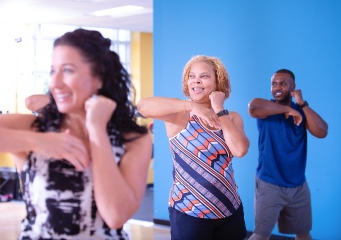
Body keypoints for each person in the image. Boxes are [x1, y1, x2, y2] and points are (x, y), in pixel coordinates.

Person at [0, 28, 152, 239]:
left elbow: (115, 216)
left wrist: (97, 131)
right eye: (53, 71)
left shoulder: (133, 139)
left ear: (99, 77)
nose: (55, 82)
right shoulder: (33, 128)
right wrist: (40, 141)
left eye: (68, 70)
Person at [137, 55, 250, 240]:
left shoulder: (231, 117)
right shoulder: (179, 114)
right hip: (190, 211)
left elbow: (240, 150)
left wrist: (219, 109)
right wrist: (191, 107)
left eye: (204, 76)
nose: (196, 80)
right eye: (192, 76)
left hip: (230, 209)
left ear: (218, 81)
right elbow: (142, 106)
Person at [247, 69, 328, 240]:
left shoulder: (302, 110)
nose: (277, 88)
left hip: (298, 186)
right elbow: (253, 107)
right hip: (269, 184)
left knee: (304, 234)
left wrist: (302, 104)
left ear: (293, 87)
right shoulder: (266, 109)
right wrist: (286, 109)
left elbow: (322, 132)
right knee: (260, 235)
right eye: (274, 84)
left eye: (283, 84)